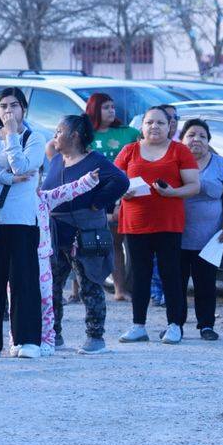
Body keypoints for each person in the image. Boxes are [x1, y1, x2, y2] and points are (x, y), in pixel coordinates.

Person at [114, 107, 200, 344]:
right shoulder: (129, 150)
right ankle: (138, 325)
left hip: (168, 223)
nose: (155, 127)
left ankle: (174, 325)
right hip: (136, 222)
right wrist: (124, 193)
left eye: (161, 123)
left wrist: (173, 192)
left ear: (170, 126)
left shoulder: (179, 150)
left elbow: (194, 185)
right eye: (150, 122)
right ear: (142, 126)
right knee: (140, 276)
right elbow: (113, 181)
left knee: (170, 274)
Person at [45, 115, 130, 354]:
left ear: (74, 135)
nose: (55, 136)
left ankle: (95, 337)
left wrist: (98, 201)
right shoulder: (56, 160)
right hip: (56, 231)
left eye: (59, 131)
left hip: (85, 231)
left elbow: (121, 181)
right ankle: (55, 335)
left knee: (89, 284)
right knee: (51, 285)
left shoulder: (95, 161)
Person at [0, 87, 49, 358]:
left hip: (21, 218)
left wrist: (11, 136)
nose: (8, 112)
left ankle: (28, 340)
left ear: (23, 109)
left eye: (13, 106)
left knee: (23, 279)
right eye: (3, 106)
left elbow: (23, 167)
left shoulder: (34, 137)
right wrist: (6, 177)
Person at [177, 119, 223, 341]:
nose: (197, 139)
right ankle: (176, 324)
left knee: (206, 283)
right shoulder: (174, 162)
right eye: (191, 135)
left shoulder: (219, 164)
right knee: (176, 282)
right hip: (177, 234)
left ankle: (206, 325)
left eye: (202, 136)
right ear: (182, 139)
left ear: (209, 141)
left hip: (210, 237)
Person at [85, 92, 139, 302]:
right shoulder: (85, 133)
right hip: (88, 196)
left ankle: (119, 289)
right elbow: (54, 147)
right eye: (105, 107)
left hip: (117, 196)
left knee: (115, 244)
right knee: (82, 243)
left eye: (112, 106)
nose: (111, 111)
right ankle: (77, 289)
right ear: (94, 109)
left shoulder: (127, 133)